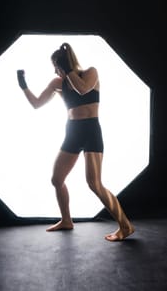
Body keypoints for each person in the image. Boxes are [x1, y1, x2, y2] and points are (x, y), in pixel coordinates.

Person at [17, 42, 134, 241]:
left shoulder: (90, 73)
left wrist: (69, 70)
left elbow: (82, 89)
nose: (55, 70)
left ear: (65, 63)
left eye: (57, 65)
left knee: (94, 184)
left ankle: (125, 226)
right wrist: (24, 86)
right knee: (57, 179)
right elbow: (37, 104)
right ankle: (66, 220)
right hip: (72, 132)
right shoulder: (57, 83)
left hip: (91, 131)